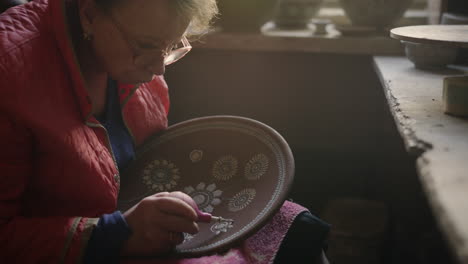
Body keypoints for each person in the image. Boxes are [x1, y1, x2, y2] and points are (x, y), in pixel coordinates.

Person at [0, 0, 330, 263]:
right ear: (88, 14)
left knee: (298, 228)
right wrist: (116, 233)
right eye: (146, 45)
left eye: (172, 46)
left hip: (134, 220)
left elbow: (148, 163)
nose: (158, 68)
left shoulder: (135, 57)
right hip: (82, 245)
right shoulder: (11, 72)